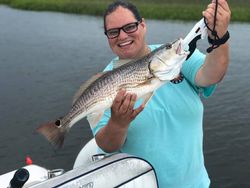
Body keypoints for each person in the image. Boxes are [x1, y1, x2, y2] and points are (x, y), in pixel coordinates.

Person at [89, 0, 231, 187]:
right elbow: (107, 145)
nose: (122, 36)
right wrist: (118, 123)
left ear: (143, 25)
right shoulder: (103, 85)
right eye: (113, 32)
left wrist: (219, 37)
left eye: (130, 27)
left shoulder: (174, 55)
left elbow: (211, 75)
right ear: (107, 36)